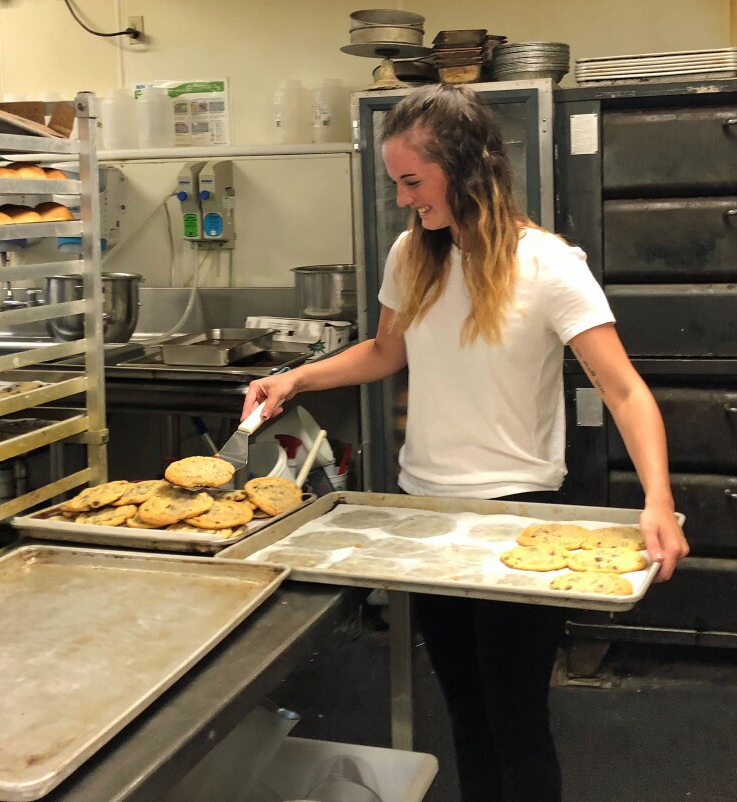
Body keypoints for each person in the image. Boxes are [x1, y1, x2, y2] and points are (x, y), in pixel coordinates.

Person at [241, 83, 689, 802]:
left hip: (516, 512)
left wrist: (658, 501)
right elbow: (387, 351)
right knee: (465, 712)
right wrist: (293, 380)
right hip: (426, 511)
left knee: (515, 717)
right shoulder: (412, 255)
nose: (403, 200)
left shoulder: (547, 265)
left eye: (413, 181)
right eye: (396, 184)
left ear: (468, 166)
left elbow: (624, 389)